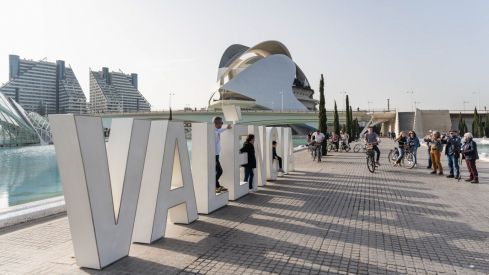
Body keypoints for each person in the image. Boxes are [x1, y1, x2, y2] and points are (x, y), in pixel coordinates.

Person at [213, 116, 231, 193]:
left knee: (217, 171)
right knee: (220, 171)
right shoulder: (214, 131)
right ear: (216, 123)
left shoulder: (216, 130)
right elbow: (218, 131)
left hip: (216, 155)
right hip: (213, 156)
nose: (222, 124)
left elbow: (219, 131)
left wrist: (226, 128)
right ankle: (214, 185)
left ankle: (217, 186)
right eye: (221, 122)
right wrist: (225, 128)